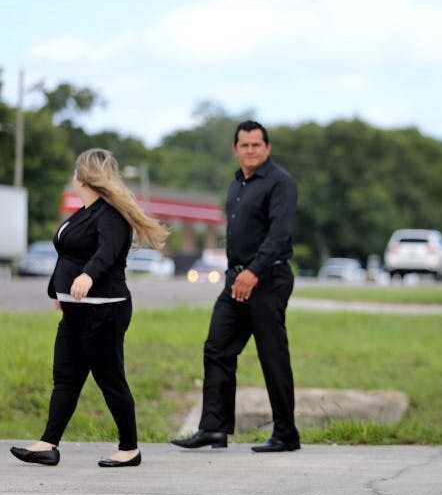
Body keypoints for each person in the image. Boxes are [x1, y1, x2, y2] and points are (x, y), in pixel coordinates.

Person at [10, 149, 169, 468]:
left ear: (83, 177)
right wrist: (58, 291)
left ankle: (129, 448)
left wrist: (87, 276)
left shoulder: (110, 214)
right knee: (65, 377)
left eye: (75, 173)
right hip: (75, 310)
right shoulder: (85, 212)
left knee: (110, 378)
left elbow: (107, 252)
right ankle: (48, 444)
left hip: (104, 310)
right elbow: (69, 256)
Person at [171, 120, 300, 452]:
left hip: (268, 277)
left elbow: (279, 234)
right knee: (217, 348)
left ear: (267, 148)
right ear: (235, 149)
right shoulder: (237, 184)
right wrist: (239, 274)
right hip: (236, 279)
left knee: (272, 355)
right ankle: (213, 429)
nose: (251, 150)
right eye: (244, 145)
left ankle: (286, 434)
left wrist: (254, 271)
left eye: (257, 145)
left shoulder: (280, 183)